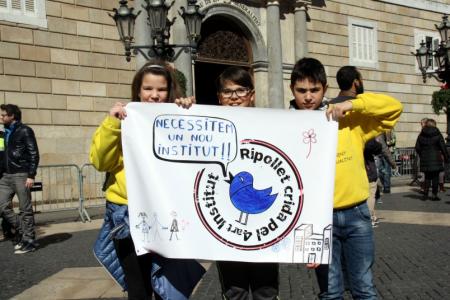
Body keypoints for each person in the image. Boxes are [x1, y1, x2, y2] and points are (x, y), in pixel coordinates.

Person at [289, 59, 402, 299]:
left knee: (364, 289)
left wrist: (354, 103)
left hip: (356, 214)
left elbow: (394, 107)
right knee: (330, 292)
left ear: (325, 89)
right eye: (302, 90)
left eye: (314, 90)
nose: (308, 96)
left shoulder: (348, 120)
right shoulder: (285, 126)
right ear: (292, 90)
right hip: (317, 220)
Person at [90, 60, 202, 300]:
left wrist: (189, 112)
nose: (154, 95)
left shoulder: (179, 116)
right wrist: (112, 125)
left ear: (169, 91)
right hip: (127, 214)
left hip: (168, 213)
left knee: (169, 286)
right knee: (138, 287)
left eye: (161, 89)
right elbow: (100, 162)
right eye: (148, 89)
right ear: (138, 91)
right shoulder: (123, 120)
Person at [214, 66, 279, 300]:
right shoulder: (207, 125)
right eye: (228, 92)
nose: (234, 98)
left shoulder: (272, 124)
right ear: (219, 97)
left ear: (251, 94)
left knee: (266, 291)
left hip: (265, 232)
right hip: (226, 231)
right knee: (235, 292)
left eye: (240, 91)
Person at [0, 104, 40, 254]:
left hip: (21, 174)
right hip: (5, 176)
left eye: (3, 115)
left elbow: (34, 154)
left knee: (25, 209)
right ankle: (24, 231)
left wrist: (31, 175)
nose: (1, 117)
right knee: (2, 205)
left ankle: (29, 240)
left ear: (12, 116)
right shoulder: (4, 133)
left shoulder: (24, 130)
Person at [415, 118, 449, 201]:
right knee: (435, 178)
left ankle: (425, 195)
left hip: (425, 158)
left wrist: (422, 154)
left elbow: (417, 147)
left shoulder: (421, 134)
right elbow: (443, 146)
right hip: (436, 158)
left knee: (427, 177)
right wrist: (446, 157)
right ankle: (434, 195)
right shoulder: (437, 133)